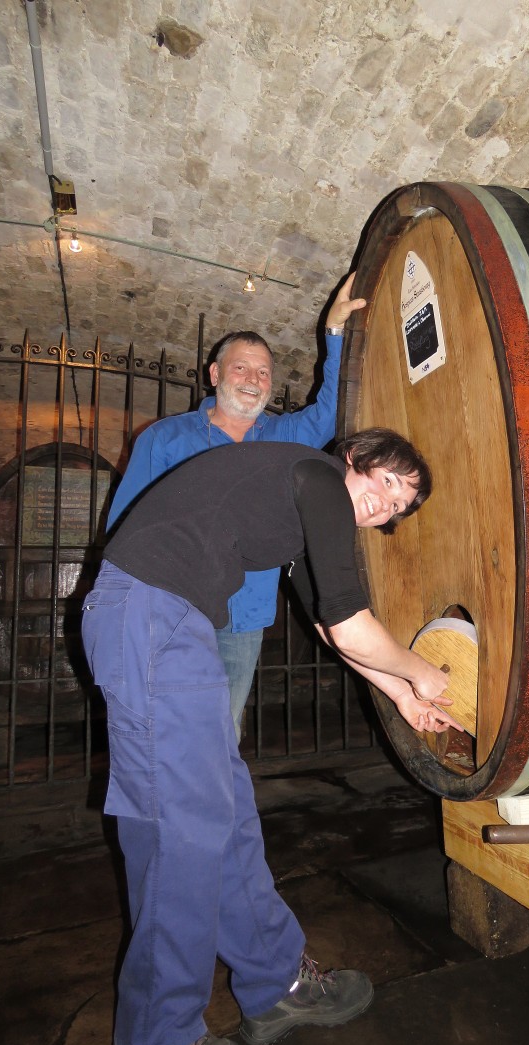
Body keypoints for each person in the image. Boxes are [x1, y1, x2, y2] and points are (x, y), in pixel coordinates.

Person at [82, 428, 460, 1045]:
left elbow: (325, 621)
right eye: (388, 483)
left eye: (400, 507)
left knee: (225, 816)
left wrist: (396, 692)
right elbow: (349, 623)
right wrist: (421, 670)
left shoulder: (302, 499)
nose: (388, 506)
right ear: (354, 460)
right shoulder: (316, 478)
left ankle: (273, 985)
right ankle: (156, 1040)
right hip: (149, 613)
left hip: (175, 622)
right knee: (178, 830)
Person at [106, 273, 365, 742]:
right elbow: (125, 522)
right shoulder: (165, 437)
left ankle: (211, 811)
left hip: (243, 616)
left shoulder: (284, 436)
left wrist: (333, 333)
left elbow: (330, 409)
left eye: (263, 372)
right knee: (161, 727)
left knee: (223, 732)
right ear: (215, 375)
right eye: (242, 368)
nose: (254, 379)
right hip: (172, 606)